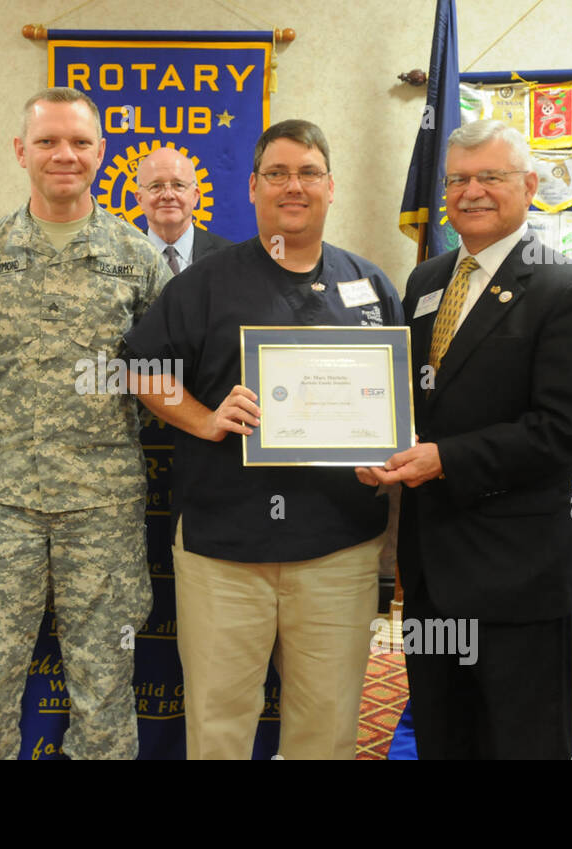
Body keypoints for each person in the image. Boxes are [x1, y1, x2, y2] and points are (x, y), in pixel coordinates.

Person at [125, 119, 401, 759]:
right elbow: (137, 366)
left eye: (308, 172)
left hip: (339, 547)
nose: (293, 186)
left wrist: (388, 453)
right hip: (225, 548)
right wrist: (203, 418)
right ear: (251, 187)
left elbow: (400, 402)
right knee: (220, 726)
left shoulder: (372, 286)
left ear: (331, 187)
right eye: (277, 173)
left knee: (326, 728)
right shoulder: (206, 281)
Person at [358, 119, 572, 759]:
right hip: (429, 564)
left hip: (514, 570)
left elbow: (570, 429)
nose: (470, 192)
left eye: (489, 177)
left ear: (528, 185)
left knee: (520, 741)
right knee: (446, 736)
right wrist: (373, 444)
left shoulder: (568, 288)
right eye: (457, 180)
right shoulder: (425, 282)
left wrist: (446, 459)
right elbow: (410, 400)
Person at [0, 87, 172, 760]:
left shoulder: (139, 260)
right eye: (47, 141)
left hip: (103, 506)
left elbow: (157, 377)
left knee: (104, 686)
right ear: (21, 151)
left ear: (101, 153)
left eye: (79, 142)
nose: (64, 154)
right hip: (2, 503)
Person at [133, 146, 232, 273]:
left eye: (178, 185)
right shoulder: (119, 256)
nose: (168, 195)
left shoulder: (228, 257)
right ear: (140, 199)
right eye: (156, 186)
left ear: (195, 196)